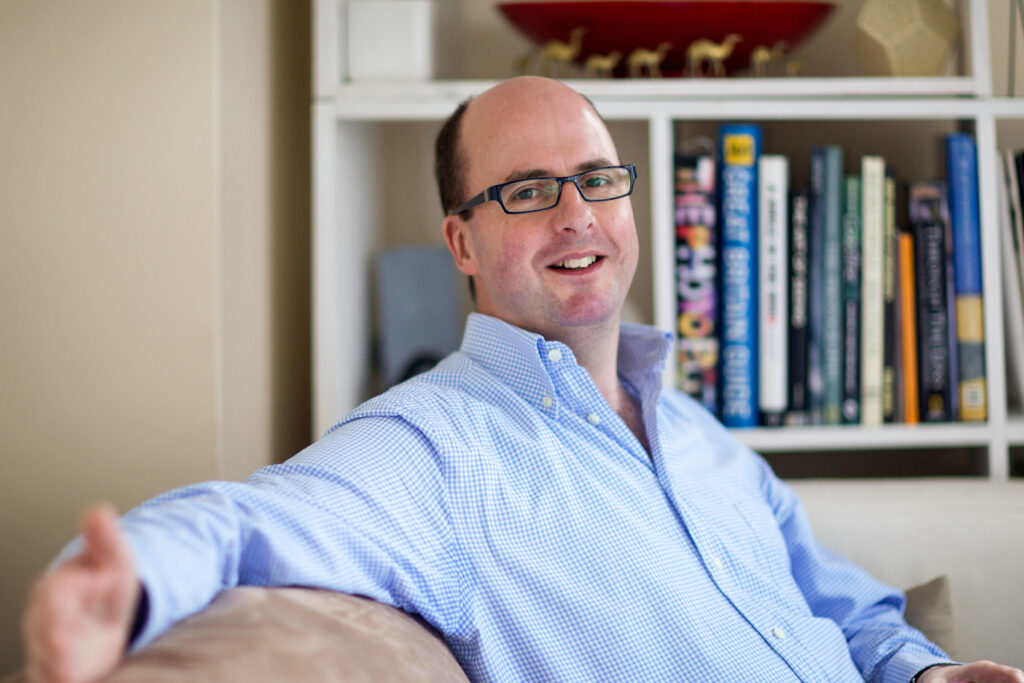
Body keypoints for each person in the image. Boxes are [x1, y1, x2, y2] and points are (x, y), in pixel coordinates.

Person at [20, 77, 1024, 683]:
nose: (577, 214)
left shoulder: (703, 434)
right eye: (527, 191)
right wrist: (124, 581)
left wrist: (924, 668)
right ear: (460, 238)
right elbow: (253, 519)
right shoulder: (433, 449)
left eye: (595, 177)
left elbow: (847, 609)